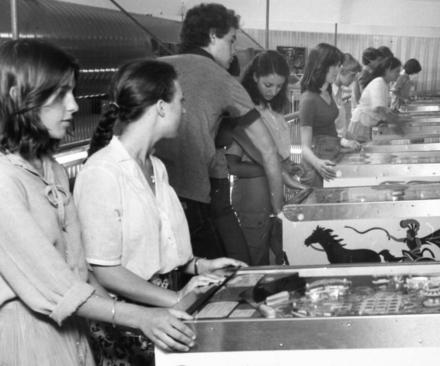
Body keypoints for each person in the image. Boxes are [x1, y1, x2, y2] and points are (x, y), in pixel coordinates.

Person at [0, 39, 194, 366]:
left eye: (72, 92)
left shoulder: (54, 171)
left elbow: (81, 271)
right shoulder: (5, 180)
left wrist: (137, 324)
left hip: (73, 334)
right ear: (20, 97)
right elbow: (57, 285)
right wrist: (140, 317)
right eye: (60, 94)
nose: (74, 105)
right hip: (28, 339)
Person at [75, 59, 247, 365]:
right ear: (161, 107)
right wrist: (176, 300)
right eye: (181, 101)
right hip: (129, 322)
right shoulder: (102, 172)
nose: (185, 109)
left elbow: (158, 247)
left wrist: (200, 266)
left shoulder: (156, 167)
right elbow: (104, 269)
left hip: (164, 306)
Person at [155, 3, 284, 263]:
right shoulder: (219, 77)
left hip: (153, 190)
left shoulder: (153, 67)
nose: (234, 51)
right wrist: (279, 213)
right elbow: (268, 151)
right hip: (195, 195)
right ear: (213, 35)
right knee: (218, 269)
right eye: (231, 40)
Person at [226, 51, 308, 265]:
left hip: (273, 192)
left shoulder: (273, 110)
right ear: (254, 77)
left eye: (279, 86)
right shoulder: (245, 113)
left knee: (276, 255)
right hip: (252, 198)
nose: (273, 91)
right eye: (268, 85)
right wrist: (270, 169)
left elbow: (280, 151)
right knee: (255, 259)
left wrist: (288, 166)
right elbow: (231, 164)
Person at [299, 43, 358, 188]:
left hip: (329, 157)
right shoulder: (308, 99)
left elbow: (329, 131)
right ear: (322, 65)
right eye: (335, 65)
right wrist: (318, 164)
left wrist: (345, 143)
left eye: (339, 66)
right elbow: (305, 148)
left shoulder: (327, 92)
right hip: (316, 165)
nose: (338, 70)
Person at [347, 56, 402, 143]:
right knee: (361, 152)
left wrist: (393, 117)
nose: (398, 75)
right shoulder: (379, 82)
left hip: (366, 123)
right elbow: (380, 109)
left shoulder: (384, 84)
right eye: (397, 71)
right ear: (388, 70)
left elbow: (383, 109)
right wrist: (395, 124)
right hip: (362, 125)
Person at [332, 53, 362, 141]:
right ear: (340, 71)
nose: (353, 80)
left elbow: (340, 125)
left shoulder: (339, 91)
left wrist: (349, 138)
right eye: (352, 75)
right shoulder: (329, 93)